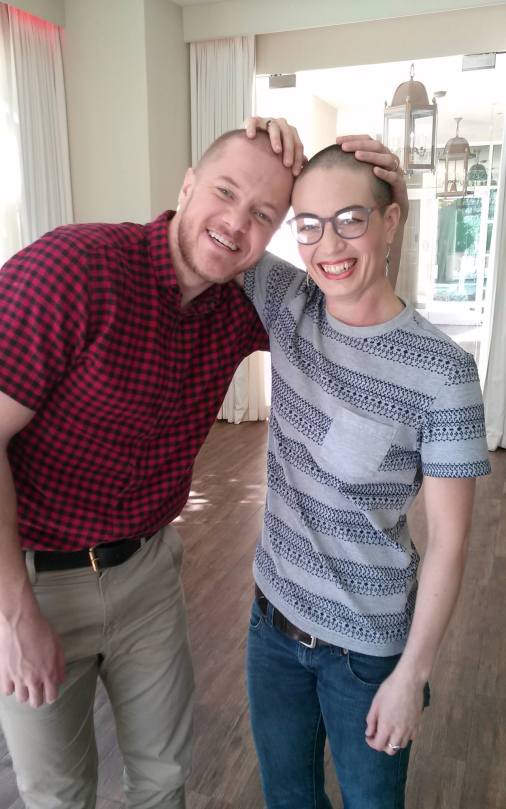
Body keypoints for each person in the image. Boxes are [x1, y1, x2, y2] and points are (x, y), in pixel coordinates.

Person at [0, 118, 402, 809]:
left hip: (148, 573)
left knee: (164, 778)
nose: (236, 224)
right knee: (57, 794)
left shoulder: (242, 300)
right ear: (187, 186)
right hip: (34, 579)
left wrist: (390, 205)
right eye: (224, 192)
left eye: (263, 215)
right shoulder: (73, 270)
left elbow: (360, 303)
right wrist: (12, 615)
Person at [243, 142, 491, 808]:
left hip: (367, 653)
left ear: (391, 220)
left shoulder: (443, 372)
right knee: (288, 798)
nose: (328, 244)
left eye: (351, 219)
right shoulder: (287, 299)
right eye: (309, 224)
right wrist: (264, 140)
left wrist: (412, 673)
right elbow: (214, 222)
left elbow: (450, 542)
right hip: (271, 627)